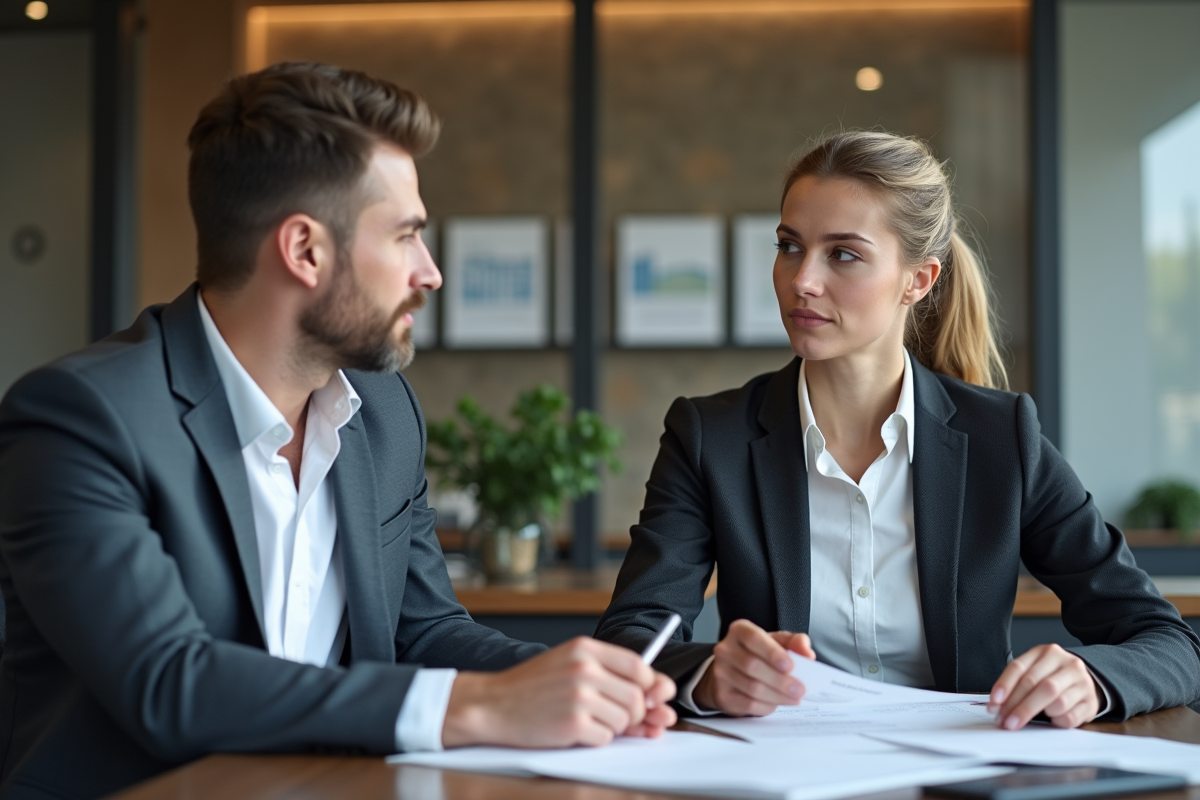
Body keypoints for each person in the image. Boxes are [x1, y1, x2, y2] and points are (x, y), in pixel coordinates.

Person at [0, 62, 675, 800]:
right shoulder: (80, 417)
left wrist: (591, 681)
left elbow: (424, 633)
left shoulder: (385, 413)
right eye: (407, 236)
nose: (431, 272)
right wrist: (480, 707)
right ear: (305, 250)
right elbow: (169, 683)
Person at [596, 130, 1200, 730]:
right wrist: (707, 674)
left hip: (964, 777)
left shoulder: (1002, 437)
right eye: (789, 246)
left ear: (919, 279)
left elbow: (1168, 641)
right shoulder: (709, 437)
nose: (802, 279)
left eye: (843, 253)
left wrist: (1090, 681)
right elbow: (629, 641)